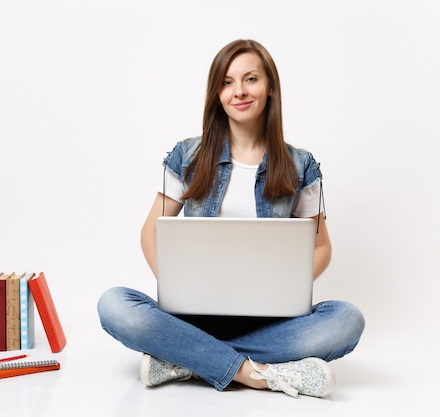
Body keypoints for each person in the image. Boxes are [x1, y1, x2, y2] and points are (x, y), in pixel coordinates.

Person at [96, 39, 365, 398]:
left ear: (270, 88)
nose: (238, 91)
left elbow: (321, 246)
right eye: (226, 82)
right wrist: (179, 288)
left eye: (250, 79)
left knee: (347, 319)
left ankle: (184, 359)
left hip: (271, 320)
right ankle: (256, 373)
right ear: (217, 94)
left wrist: (284, 286)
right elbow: (151, 232)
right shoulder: (187, 155)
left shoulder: (301, 165)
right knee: (114, 304)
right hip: (193, 317)